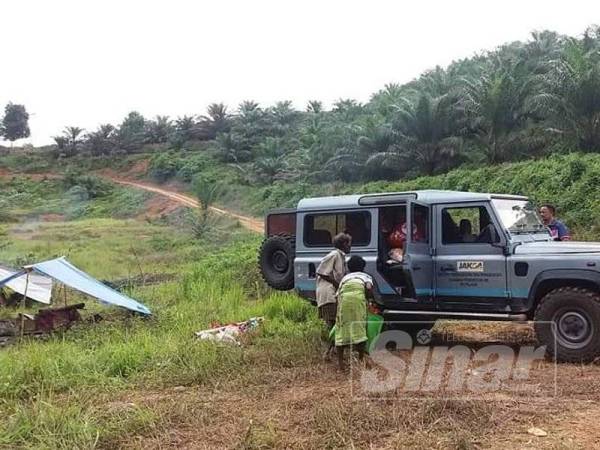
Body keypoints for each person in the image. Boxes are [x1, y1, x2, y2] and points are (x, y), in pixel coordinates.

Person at [335, 255, 374, 371]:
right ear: (363, 267)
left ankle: (341, 364)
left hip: (344, 302)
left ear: (349, 268)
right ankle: (361, 358)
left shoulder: (345, 278)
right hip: (358, 301)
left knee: (341, 329)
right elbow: (368, 288)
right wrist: (370, 299)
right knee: (360, 326)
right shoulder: (365, 276)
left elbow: (338, 295)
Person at [316, 233, 352, 332]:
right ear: (344, 244)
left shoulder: (341, 256)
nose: (350, 246)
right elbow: (321, 272)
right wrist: (337, 284)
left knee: (335, 321)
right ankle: (332, 344)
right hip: (328, 293)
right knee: (332, 322)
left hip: (334, 293)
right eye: (349, 243)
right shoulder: (334, 255)